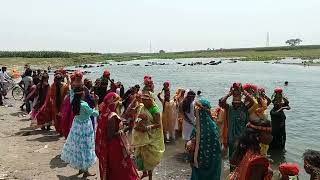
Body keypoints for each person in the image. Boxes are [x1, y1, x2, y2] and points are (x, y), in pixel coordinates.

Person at [95, 92, 138, 180]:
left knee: (111, 168)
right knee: (119, 168)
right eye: (117, 103)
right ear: (113, 103)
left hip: (106, 146)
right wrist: (124, 129)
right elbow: (111, 135)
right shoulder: (112, 117)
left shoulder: (103, 113)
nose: (118, 104)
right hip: (114, 146)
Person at [61, 86, 99, 178]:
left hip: (77, 126)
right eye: (84, 92)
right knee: (86, 147)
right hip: (85, 127)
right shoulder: (84, 105)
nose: (85, 93)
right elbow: (95, 113)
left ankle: (81, 169)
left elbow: (71, 92)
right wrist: (96, 103)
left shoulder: (73, 100)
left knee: (79, 146)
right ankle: (85, 171)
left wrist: (76, 85)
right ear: (82, 94)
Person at [131, 93, 164, 180]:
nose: (143, 101)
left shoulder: (155, 110)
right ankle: (144, 173)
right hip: (142, 135)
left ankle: (150, 177)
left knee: (149, 158)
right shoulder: (142, 106)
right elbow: (134, 112)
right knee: (140, 155)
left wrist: (147, 128)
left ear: (150, 100)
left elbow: (158, 125)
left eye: (145, 100)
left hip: (151, 136)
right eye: (142, 99)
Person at [186, 99, 221, 180]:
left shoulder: (197, 129)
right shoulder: (214, 127)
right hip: (213, 164)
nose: (194, 112)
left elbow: (191, 148)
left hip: (200, 164)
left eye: (195, 110)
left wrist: (190, 159)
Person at [219, 84, 250, 169]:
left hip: (242, 137)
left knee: (242, 157)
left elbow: (253, 102)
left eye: (238, 102)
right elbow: (221, 102)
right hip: (232, 137)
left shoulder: (244, 108)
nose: (237, 103)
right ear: (232, 102)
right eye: (235, 102)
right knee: (232, 156)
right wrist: (229, 94)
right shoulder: (229, 108)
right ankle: (232, 173)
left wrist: (244, 92)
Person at [60, 71, 83, 138]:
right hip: (74, 99)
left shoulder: (75, 82)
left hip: (72, 98)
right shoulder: (77, 83)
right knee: (70, 115)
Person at [49, 71, 70, 135]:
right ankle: (62, 130)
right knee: (62, 117)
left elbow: (51, 96)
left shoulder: (53, 85)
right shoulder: (65, 85)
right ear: (61, 79)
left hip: (55, 104)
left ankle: (59, 130)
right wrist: (67, 78)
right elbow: (68, 93)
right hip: (63, 104)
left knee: (57, 118)